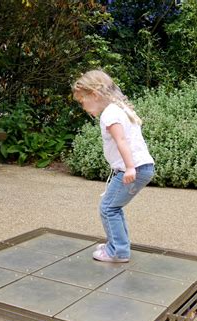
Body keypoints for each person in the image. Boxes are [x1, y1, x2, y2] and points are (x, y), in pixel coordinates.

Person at [72, 69, 154, 263]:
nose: (83, 107)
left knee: (108, 208)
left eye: (82, 101)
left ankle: (117, 251)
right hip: (141, 167)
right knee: (113, 207)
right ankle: (117, 245)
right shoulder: (120, 109)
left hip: (134, 168)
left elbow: (122, 141)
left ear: (94, 94)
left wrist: (129, 168)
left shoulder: (109, 114)